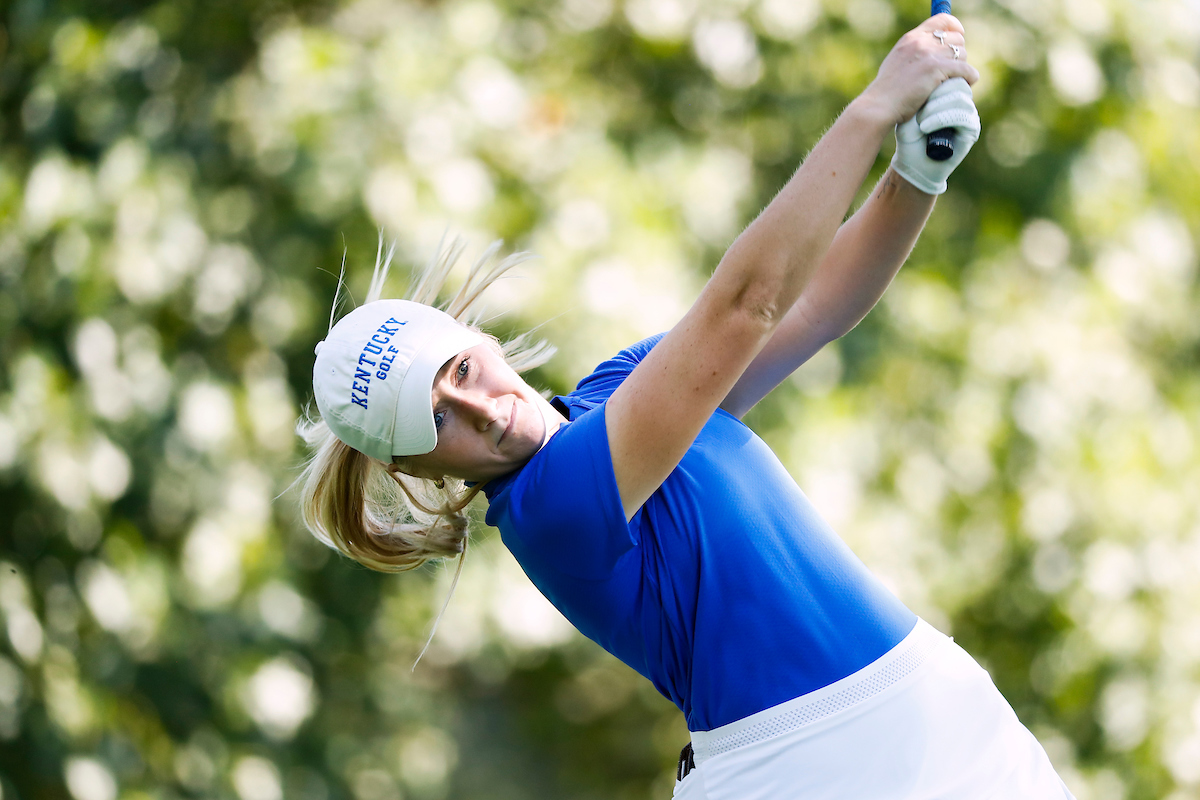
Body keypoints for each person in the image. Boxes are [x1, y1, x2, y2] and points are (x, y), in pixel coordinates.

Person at [297, 14, 1076, 800]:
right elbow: (747, 305)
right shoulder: (547, 508)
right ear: (416, 468)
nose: (482, 410)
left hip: (942, 710)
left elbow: (814, 306)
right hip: (812, 770)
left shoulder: (618, 386)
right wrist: (876, 105)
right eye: (437, 420)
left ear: (479, 338)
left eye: (461, 370)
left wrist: (916, 174)